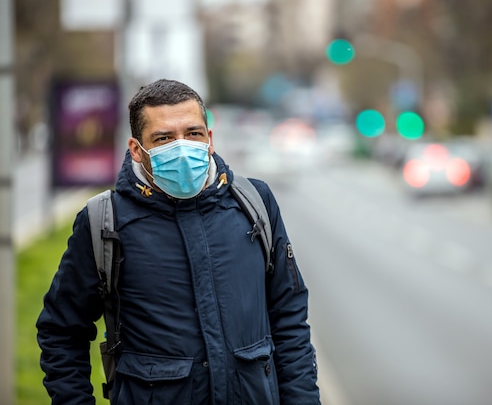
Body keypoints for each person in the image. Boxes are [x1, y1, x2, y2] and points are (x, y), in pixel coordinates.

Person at [36, 79, 321, 405]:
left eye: (193, 133)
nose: (183, 148)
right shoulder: (104, 222)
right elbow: (61, 332)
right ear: (136, 150)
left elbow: (290, 322)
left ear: (210, 139)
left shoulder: (254, 202)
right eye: (164, 138)